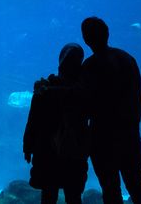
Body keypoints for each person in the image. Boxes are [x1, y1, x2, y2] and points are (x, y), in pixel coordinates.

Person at [80, 16, 141, 204]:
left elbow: (84, 105)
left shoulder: (88, 67)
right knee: (136, 183)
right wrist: (132, 124)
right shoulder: (126, 59)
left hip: (101, 137)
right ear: (107, 34)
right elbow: (139, 96)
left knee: (110, 187)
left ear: (85, 39)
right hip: (129, 133)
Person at [23, 43, 89, 204]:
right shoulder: (83, 90)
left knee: (49, 193)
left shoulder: (44, 89)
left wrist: (28, 146)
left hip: (48, 150)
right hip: (75, 149)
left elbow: (33, 120)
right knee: (73, 195)